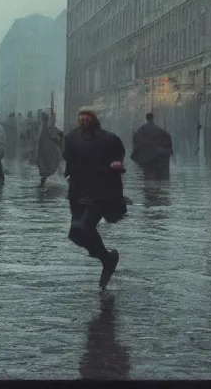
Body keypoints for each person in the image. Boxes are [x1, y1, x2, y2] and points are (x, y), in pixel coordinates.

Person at [63, 109, 126, 289]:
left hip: (100, 191)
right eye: (81, 115)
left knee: (85, 226)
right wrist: (69, 176)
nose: (83, 118)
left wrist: (117, 163)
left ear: (93, 119)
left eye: (87, 116)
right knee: (75, 232)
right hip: (78, 190)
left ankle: (107, 259)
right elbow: (68, 159)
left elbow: (118, 152)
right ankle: (107, 259)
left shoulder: (106, 138)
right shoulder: (71, 138)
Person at [131, 113, 173, 180]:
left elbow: (136, 137)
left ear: (146, 118)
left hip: (146, 156)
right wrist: (168, 149)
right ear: (152, 118)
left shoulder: (142, 129)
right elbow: (167, 136)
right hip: (156, 156)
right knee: (155, 176)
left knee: (148, 176)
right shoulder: (157, 128)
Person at [36, 111, 64, 187]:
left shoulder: (43, 127)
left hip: (45, 151)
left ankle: (43, 180)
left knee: (46, 167)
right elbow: (56, 137)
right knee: (49, 166)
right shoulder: (49, 128)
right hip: (50, 152)